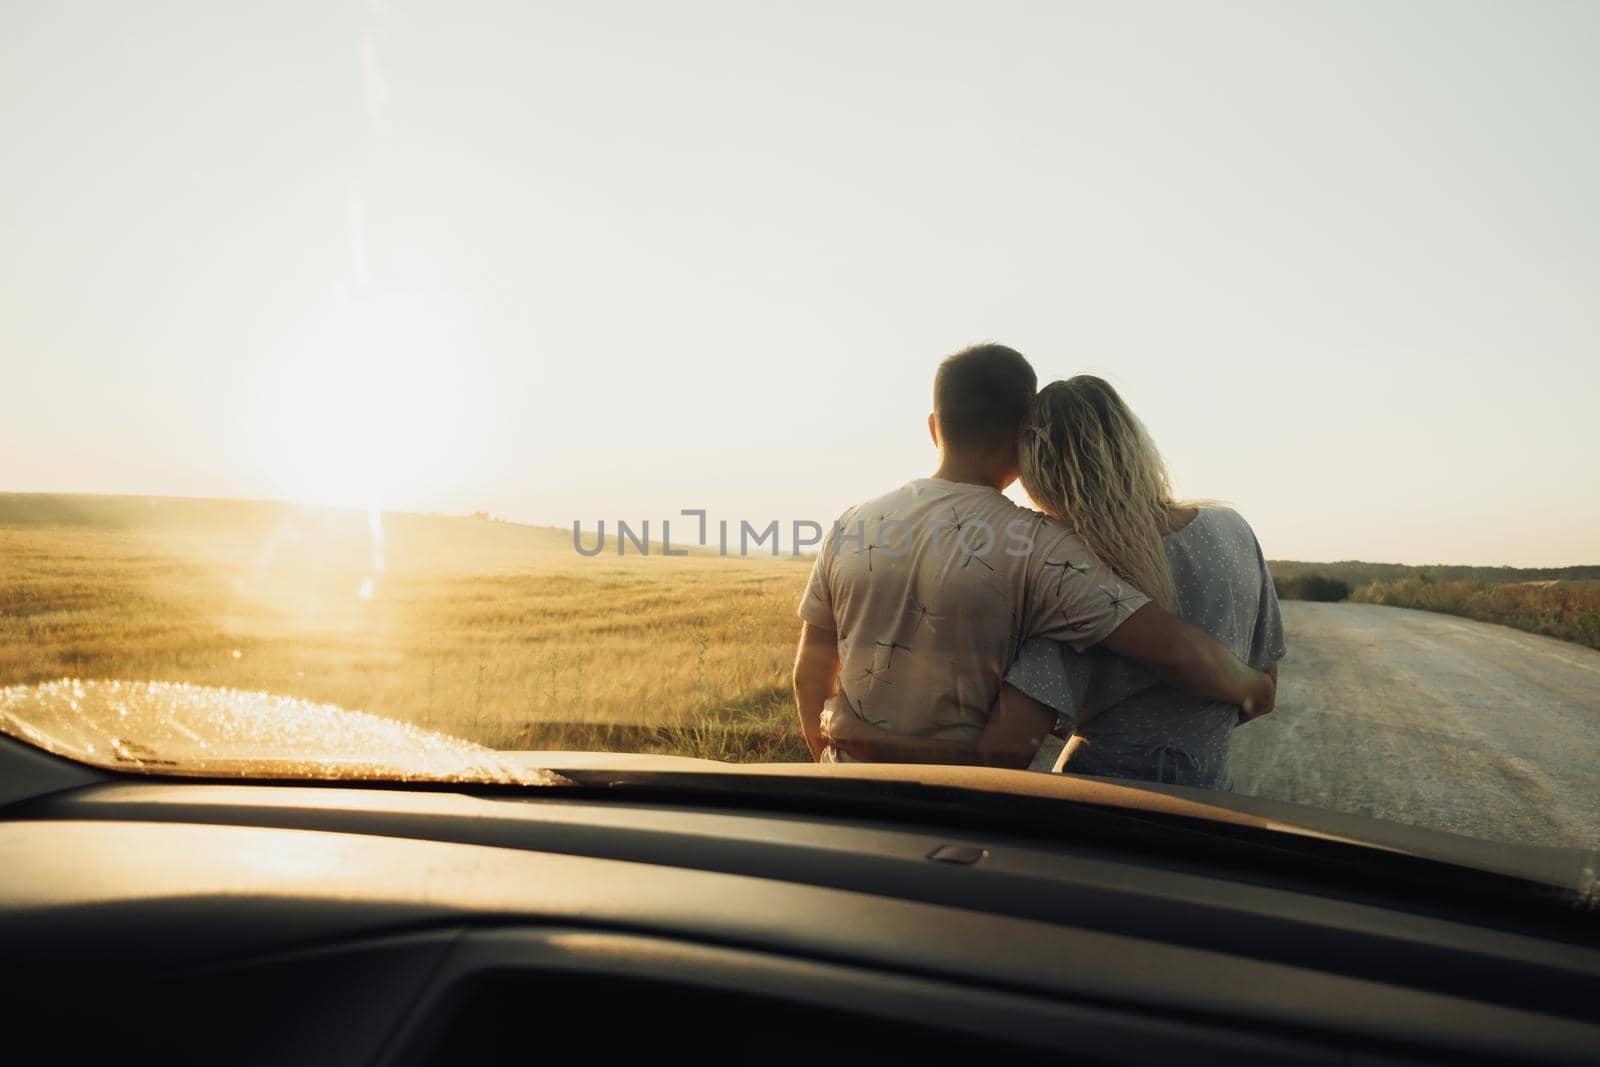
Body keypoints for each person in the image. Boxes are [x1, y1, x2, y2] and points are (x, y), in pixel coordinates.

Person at [793, 345, 1274, 765]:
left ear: (934, 427)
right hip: (954, 818)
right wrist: (1252, 689)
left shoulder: (851, 523)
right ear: (1023, 435)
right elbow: (1174, 650)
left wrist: (836, 762)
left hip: (846, 800)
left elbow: (810, 670)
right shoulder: (1042, 548)